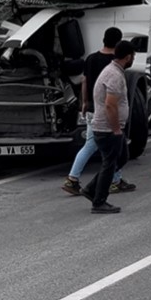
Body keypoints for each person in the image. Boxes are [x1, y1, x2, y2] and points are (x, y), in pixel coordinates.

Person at [63, 27, 135, 197]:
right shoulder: (115, 63)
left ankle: (115, 179)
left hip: (92, 107)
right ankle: (76, 179)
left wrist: (84, 102)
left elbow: (85, 81)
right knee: (105, 147)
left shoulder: (91, 58)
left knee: (102, 147)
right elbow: (112, 97)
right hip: (106, 112)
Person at [83, 41, 136, 214]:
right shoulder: (114, 75)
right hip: (107, 128)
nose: (133, 59)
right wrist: (116, 130)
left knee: (120, 158)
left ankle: (92, 189)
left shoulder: (113, 71)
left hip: (108, 126)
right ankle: (99, 201)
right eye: (133, 57)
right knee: (110, 163)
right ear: (128, 57)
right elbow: (110, 105)